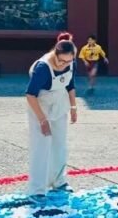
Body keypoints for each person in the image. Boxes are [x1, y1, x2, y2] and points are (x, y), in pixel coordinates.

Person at [26, 33, 79, 200]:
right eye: (61, 61)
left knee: (59, 144)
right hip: (40, 103)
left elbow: (70, 85)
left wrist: (73, 107)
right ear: (55, 54)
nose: (64, 64)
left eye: (69, 61)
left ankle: (59, 181)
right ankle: (37, 189)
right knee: (41, 146)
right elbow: (30, 95)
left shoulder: (71, 62)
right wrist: (42, 120)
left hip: (60, 102)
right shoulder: (43, 67)